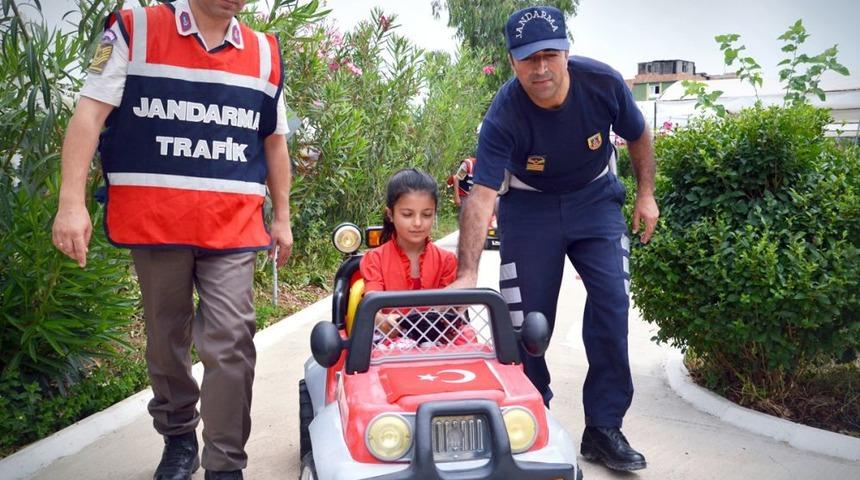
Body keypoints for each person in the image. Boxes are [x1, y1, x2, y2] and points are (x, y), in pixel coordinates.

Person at [51, 1, 292, 479]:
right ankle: (179, 437)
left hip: (232, 225)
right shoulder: (132, 30)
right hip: (157, 222)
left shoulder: (264, 53)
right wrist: (70, 203)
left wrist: (282, 216)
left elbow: (274, 140)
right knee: (166, 340)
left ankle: (226, 465)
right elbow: (88, 114)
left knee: (231, 340)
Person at [448, 5, 659, 473]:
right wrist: (466, 273)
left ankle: (604, 428)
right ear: (512, 62)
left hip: (595, 200)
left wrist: (646, 195)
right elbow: (482, 196)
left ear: (566, 52)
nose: (540, 68)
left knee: (611, 305)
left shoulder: (603, 84)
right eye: (528, 58)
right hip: (529, 208)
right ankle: (533, 412)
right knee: (526, 322)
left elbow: (639, 135)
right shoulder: (503, 113)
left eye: (550, 54)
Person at [359, 168, 459, 343]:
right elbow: (372, 302)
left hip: (438, 344)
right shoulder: (374, 259)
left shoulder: (447, 261)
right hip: (388, 344)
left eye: (427, 215)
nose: (418, 223)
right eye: (407, 214)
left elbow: (450, 313)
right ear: (390, 214)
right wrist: (382, 320)